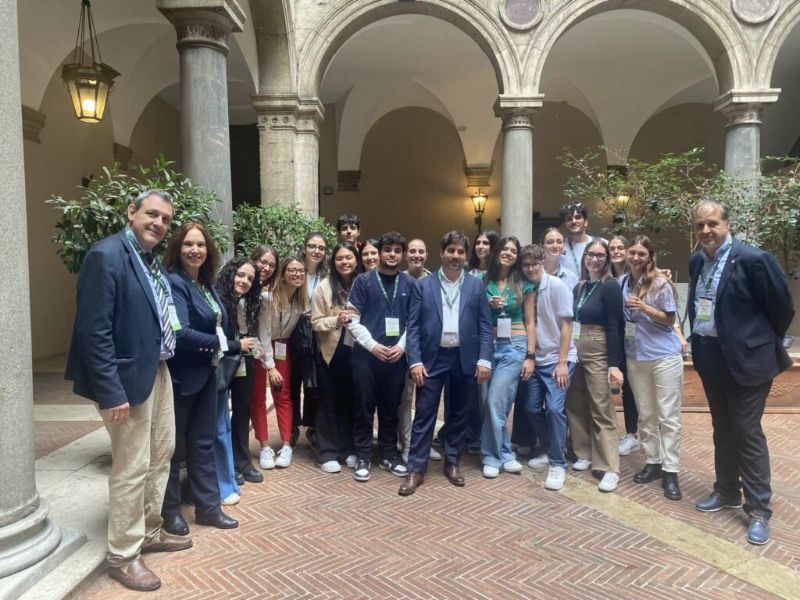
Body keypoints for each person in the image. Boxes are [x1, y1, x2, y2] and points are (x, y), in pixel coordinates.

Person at [66, 189, 191, 592]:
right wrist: (111, 391)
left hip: (157, 369)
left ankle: (149, 530)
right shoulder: (106, 255)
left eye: (166, 219)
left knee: (161, 453)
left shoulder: (150, 260)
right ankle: (123, 555)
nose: (159, 223)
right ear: (131, 211)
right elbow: (94, 330)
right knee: (132, 465)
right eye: (152, 214)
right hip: (125, 380)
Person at [689, 200, 794, 545]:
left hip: (747, 362)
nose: (706, 230)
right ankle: (726, 491)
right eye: (700, 225)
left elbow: (782, 308)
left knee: (746, 432)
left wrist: (756, 342)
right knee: (722, 429)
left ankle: (759, 510)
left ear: (727, 224)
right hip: (710, 358)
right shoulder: (697, 261)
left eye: (712, 223)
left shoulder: (753, 259)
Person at [400, 231, 493, 495]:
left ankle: (452, 462)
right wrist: (414, 361)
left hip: (465, 357)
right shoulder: (423, 285)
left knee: (459, 414)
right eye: (451, 250)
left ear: (465, 255)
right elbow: (413, 327)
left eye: (460, 252)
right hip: (433, 358)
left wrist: (484, 359)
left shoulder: (476, 286)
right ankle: (416, 469)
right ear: (441, 253)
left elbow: (485, 326)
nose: (455, 256)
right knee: (424, 412)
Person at [161, 223, 239, 536]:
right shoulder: (175, 282)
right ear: (178, 248)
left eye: (201, 245)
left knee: (203, 443)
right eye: (188, 244)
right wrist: (228, 345)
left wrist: (218, 347)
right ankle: (169, 513)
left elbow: (214, 323)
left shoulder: (205, 284)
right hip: (182, 377)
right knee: (173, 448)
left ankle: (208, 508)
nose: (195, 250)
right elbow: (180, 333)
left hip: (207, 374)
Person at [346, 232, 415, 482]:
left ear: (403, 255)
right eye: (388, 250)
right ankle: (363, 456)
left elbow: (415, 321)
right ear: (380, 252)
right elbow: (351, 319)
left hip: (395, 357)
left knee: (390, 409)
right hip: (366, 357)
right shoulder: (363, 281)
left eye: (397, 250)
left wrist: (402, 346)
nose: (392, 254)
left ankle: (388, 454)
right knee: (364, 407)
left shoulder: (410, 284)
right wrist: (373, 346)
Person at [622, 236, 684, 500]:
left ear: (650, 256)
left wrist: (644, 307)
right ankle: (653, 462)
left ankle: (671, 471)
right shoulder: (623, 282)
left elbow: (669, 319)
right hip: (635, 356)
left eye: (641, 254)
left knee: (668, 416)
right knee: (646, 415)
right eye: (632, 253)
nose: (636, 258)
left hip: (663, 356)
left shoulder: (660, 282)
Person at [565, 240, 624, 493]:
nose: (595, 259)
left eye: (601, 255)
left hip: (598, 345)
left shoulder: (609, 286)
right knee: (575, 400)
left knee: (601, 405)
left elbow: (615, 326)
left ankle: (609, 466)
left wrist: (613, 364)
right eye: (591, 254)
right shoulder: (580, 287)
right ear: (584, 257)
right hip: (575, 344)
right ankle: (583, 452)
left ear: (607, 259)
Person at [518, 245, 577, 491]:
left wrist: (562, 363)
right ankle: (552, 447)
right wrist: (530, 356)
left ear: (543, 262)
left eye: (535, 263)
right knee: (531, 408)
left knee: (553, 408)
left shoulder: (557, 286)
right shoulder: (525, 288)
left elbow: (566, 326)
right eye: (526, 265)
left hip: (558, 358)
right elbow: (529, 323)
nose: (531, 268)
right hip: (536, 358)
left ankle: (558, 463)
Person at [480, 236, 536, 479]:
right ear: (496, 252)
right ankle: (505, 452)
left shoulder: (524, 284)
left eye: (513, 251)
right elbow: (473, 314)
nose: (509, 253)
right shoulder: (482, 281)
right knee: (487, 403)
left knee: (496, 402)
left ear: (517, 256)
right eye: (505, 249)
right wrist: (488, 306)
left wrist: (530, 356)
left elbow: (531, 322)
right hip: (486, 346)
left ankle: (491, 457)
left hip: (514, 345)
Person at [215, 257, 264, 497]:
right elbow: (215, 338)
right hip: (222, 364)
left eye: (250, 279)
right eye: (241, 275)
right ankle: (228, 466)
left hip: (245, 362)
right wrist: (238, 345)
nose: (244, 281)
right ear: (230, 274)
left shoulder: (250, 303)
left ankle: (243, 461)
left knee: (243, 412)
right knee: (221, 416)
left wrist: (255, 347)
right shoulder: (217, 299)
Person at [310, 242, 359, 473]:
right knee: (328, 402)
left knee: (351, 402)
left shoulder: (363, 284)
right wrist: (335, 320)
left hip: (357, 352)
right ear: (332, 261)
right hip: (330, 353)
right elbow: (315, 322)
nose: (344, 262)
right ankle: (327, 452)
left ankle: (348, 449)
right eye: (340, 258)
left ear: (356, 260)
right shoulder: (323, 287)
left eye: (349, 257)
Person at [257, 257, 309, 469]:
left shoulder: (301, 301)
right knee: (258, 398)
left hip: (283, 349)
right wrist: (270, 366)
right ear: (283, 273)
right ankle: (264, 446)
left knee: (283, 395)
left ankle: (287, 445)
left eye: (301, 271)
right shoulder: (267, 298)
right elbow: (263, 333)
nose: (297, 274)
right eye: (292, 270)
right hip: (262, 349)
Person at [398, 238, 439, 463]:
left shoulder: (434, 281)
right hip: (403, 347)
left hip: (429, 350)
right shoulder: (399, 280)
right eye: (412, 251)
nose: (416, 255)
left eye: (420, 251)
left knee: (426, 401)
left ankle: (423, 443)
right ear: (406, 255)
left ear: (426, 254)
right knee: (405, 398)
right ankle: (407, 444)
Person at [290, 233, 328, 447]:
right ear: (304, 248)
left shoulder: (327, 276)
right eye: (312, 246)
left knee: (314, 382)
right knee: (292, 380)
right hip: (293, 332)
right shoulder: (295, 270)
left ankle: (312, 426)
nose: (316, 251)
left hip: (316, 335)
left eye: (321, 248)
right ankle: (292, 426)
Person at [608, 234, 641, 457]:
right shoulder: (606, 276)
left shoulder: (637, 276)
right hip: (616, 337)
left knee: (634, 386)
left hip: (638, 337)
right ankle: (627, 433)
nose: (616, 252)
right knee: (623, 386)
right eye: (612, 248)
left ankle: (635, 433)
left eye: (621, 247)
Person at [248, 245, 279, 471]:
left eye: (271, 265)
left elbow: (265, 332)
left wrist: (269, 364)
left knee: (257, 399)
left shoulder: (266, 298)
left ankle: (265, 445)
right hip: (230, 352)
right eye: (263, 262)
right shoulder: (237, 283)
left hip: (254, 355)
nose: (266, 268)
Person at [559, 202, 595, 277]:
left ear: (586, 222)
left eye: (578, 217)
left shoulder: (600, 244)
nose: (573, 221)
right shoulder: (559, 248)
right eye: (569, 219)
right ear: (565, 224)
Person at [541, 227, 579, 292]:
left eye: (559, 242)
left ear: (563, 246)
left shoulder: (571, 277)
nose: (555, 246)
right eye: (550, 242)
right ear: (542, 246)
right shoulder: (535, 274)